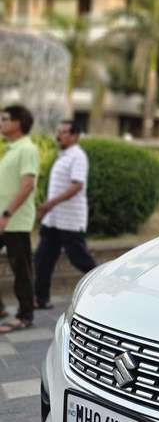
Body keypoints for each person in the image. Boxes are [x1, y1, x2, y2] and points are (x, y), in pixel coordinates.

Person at [34, 120, 97, 310]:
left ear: (75, 136)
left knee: (80, 259)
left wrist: (49, 204)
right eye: (58, 131)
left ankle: (106, 288)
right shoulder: (64, 156)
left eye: (64, 132)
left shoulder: (78, 156)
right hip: (54, 220)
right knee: (42, 259)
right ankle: (41, 299)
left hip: (70, 220)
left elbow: (77, 185)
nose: (58, 135)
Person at [0, 105, 39, 332]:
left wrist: (7, 214)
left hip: (15, 221)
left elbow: (27, 186)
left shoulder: (27, 149)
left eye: (5, 119)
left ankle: (25, 316)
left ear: (18, 123)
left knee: (21, 270)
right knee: (19, 268)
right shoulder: (12, 149)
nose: (1, 123)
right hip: (5, 220)